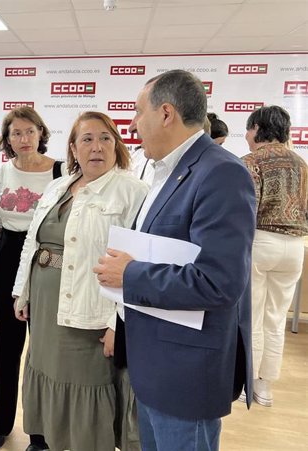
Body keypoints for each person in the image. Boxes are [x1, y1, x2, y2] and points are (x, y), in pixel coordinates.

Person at [94, 70, 256, 451]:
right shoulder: (169, 171)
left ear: (166, 113)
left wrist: (130, 273)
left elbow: (220, 282)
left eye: (137, 113)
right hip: (156, 365)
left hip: (186, 373)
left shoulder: (222, 174)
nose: (133, 125)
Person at [12, 111, 148, 451]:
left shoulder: (133, 192)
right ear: (73, 148)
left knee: (87, 385)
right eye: (86, 139)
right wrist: (22, 291)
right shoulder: (59, 184)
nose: (96, 147)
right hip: (45, 307)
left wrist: (119, 322)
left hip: (91, 312)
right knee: (46, 371)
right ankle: (50, 440)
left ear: (117, 145)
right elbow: (33, 240)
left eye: (105, 138)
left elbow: (138, 263)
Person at [0, 107, 63, 451]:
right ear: (7, 139)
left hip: (44, 260)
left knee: (42, 352)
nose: (24, 139)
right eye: (16, 133)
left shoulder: (61, 171)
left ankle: (40, 433)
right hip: (6, 259)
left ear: (40, 133)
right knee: (6, 347)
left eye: (29, 131)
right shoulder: (2, 172)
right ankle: (0, 422)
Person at [241, 105, 308, 407]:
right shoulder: (302, 164)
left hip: (260, 241)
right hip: (295, 247)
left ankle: (246, 382)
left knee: (252, 314)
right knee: (276, 317)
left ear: (257, 129)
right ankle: (264, 387)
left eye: (248, 129)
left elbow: (245, 209)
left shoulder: (251, 162)